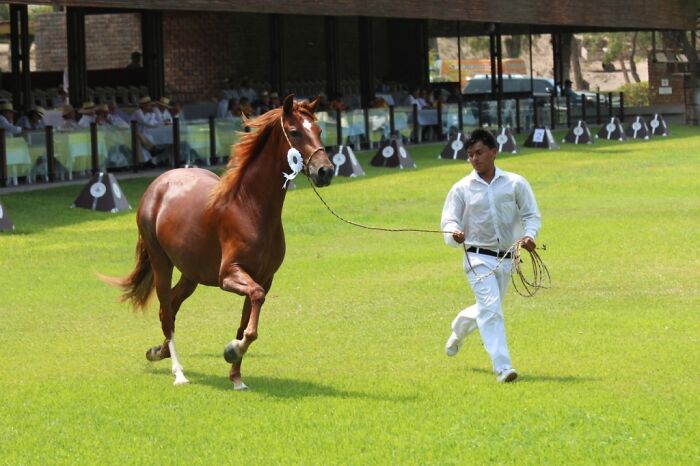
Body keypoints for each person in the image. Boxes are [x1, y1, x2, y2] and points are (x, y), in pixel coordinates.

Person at [440, 128, 541, 383]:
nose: (474, 159)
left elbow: (531, 215)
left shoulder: (515, 183)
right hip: (476, 258)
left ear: (494, 152)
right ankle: (503, 367)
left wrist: (529, 236)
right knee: (492, 310)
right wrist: (455, 234)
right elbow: (449, 221)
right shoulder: (461, 189)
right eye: (470, 155)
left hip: (508, 258)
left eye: (479, 153)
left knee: (488, 308)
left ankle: (459, 329)